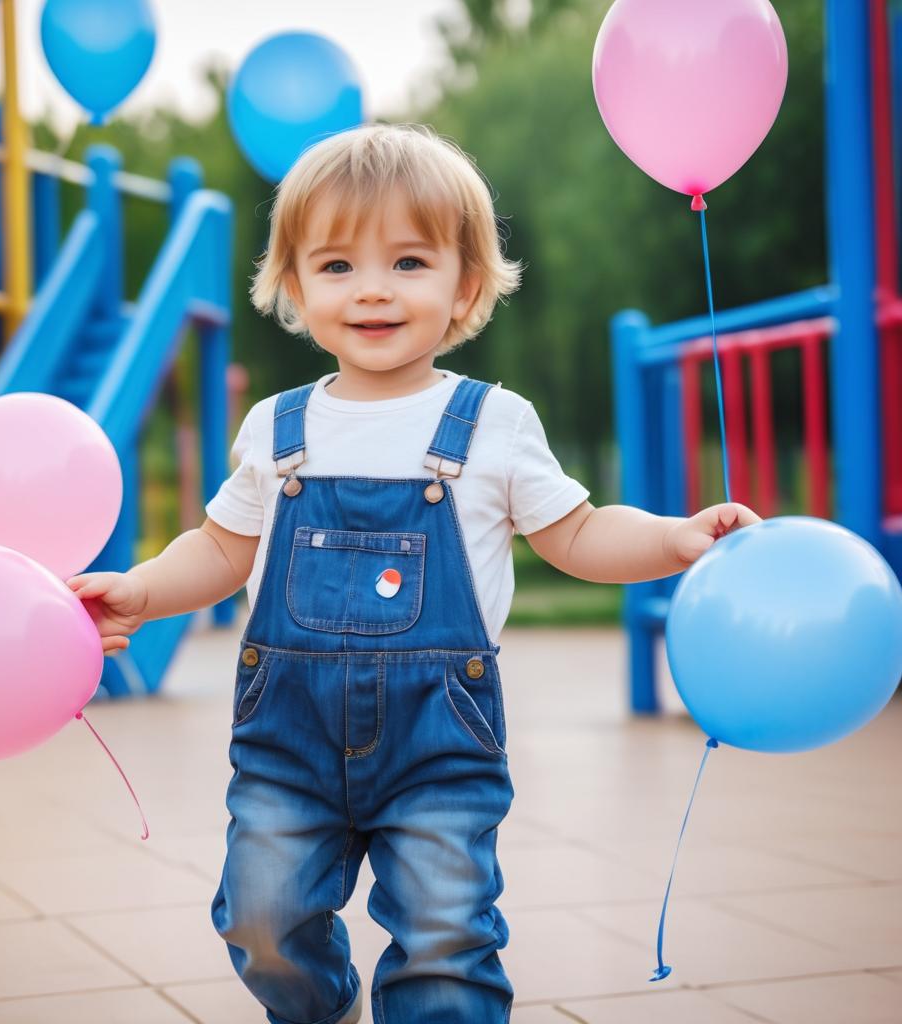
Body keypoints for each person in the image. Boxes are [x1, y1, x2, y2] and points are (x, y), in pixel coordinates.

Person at [66, 123, 760, 1024]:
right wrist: (145, 589)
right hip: (288, 743)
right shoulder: (276, 429)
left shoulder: (493, 425)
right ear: (294, 285)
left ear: (465, 283)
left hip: (439, 743)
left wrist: (672, 539)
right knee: (260, 919)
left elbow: (578, 532)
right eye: (338, 266)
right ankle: (323, 1006)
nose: (374, 291)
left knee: (445, 938)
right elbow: (224, 548)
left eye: (408, 262)